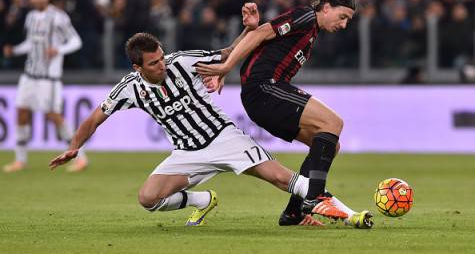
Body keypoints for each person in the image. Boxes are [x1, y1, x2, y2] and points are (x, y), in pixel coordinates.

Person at [49, 31, 367, 227]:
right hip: (186, 153)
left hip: (224, 138)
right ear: (138, 68)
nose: (162, 65)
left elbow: (229, 54)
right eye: (154, 63)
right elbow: (94, 118)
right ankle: (203, 201)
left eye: (161, 57)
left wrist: (247, 29)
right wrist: (75, 146)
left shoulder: (184, 62)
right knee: (148, 199)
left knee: (281, 178)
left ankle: (347, 213)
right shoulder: (129, 89)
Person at [196, 0, 373, 227]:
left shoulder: (311, 32)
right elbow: (260, 34)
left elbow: (257, 41)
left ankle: (294, 212)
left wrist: (228, 65)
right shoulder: (305, 17)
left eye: (347, 21)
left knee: (328, 145)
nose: (343, 25)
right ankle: (315, 196)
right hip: (264, 88)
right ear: (326, 7)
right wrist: (226, 66)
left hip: (263, 96)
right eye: (342, 17)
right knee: (333, 122)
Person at [2, 0, 88, 173]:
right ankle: (20, 160)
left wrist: (59, 50)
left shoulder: (59, 17)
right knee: (21, 112)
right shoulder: (31, 17)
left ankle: (80, 158)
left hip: (48, 77)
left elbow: (76, 41)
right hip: (29, 74)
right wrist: (15, 50)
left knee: (53, 116)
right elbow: (31, 44)